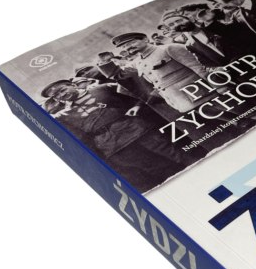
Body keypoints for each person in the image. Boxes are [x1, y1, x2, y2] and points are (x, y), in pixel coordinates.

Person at [40, 80, 186, 191]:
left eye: (62, 90)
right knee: (152, 168)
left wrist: (137, 106)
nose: (61, 95)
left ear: (72, 85)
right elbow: (81, 138)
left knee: (174, 154)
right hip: (113, 146)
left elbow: (136, 95)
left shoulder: (103, 89)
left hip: (137, 130)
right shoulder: (63, 115)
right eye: (56, 95)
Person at [111, 32, 214, 113]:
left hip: (203, 94)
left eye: (131, 43)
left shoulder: (169, 48)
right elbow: (114, 74)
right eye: (124, 47)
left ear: (145, 39)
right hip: (180, 101)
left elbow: (198, 68)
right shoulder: (138, 62)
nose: (128, 47)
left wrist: (219, 87)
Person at [161, 10, 227, 68]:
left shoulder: (214, 27)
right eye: (171, 24)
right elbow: (206, 64)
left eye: (179, 21)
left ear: (191, 19)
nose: (176, 25)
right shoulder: (190, 45)